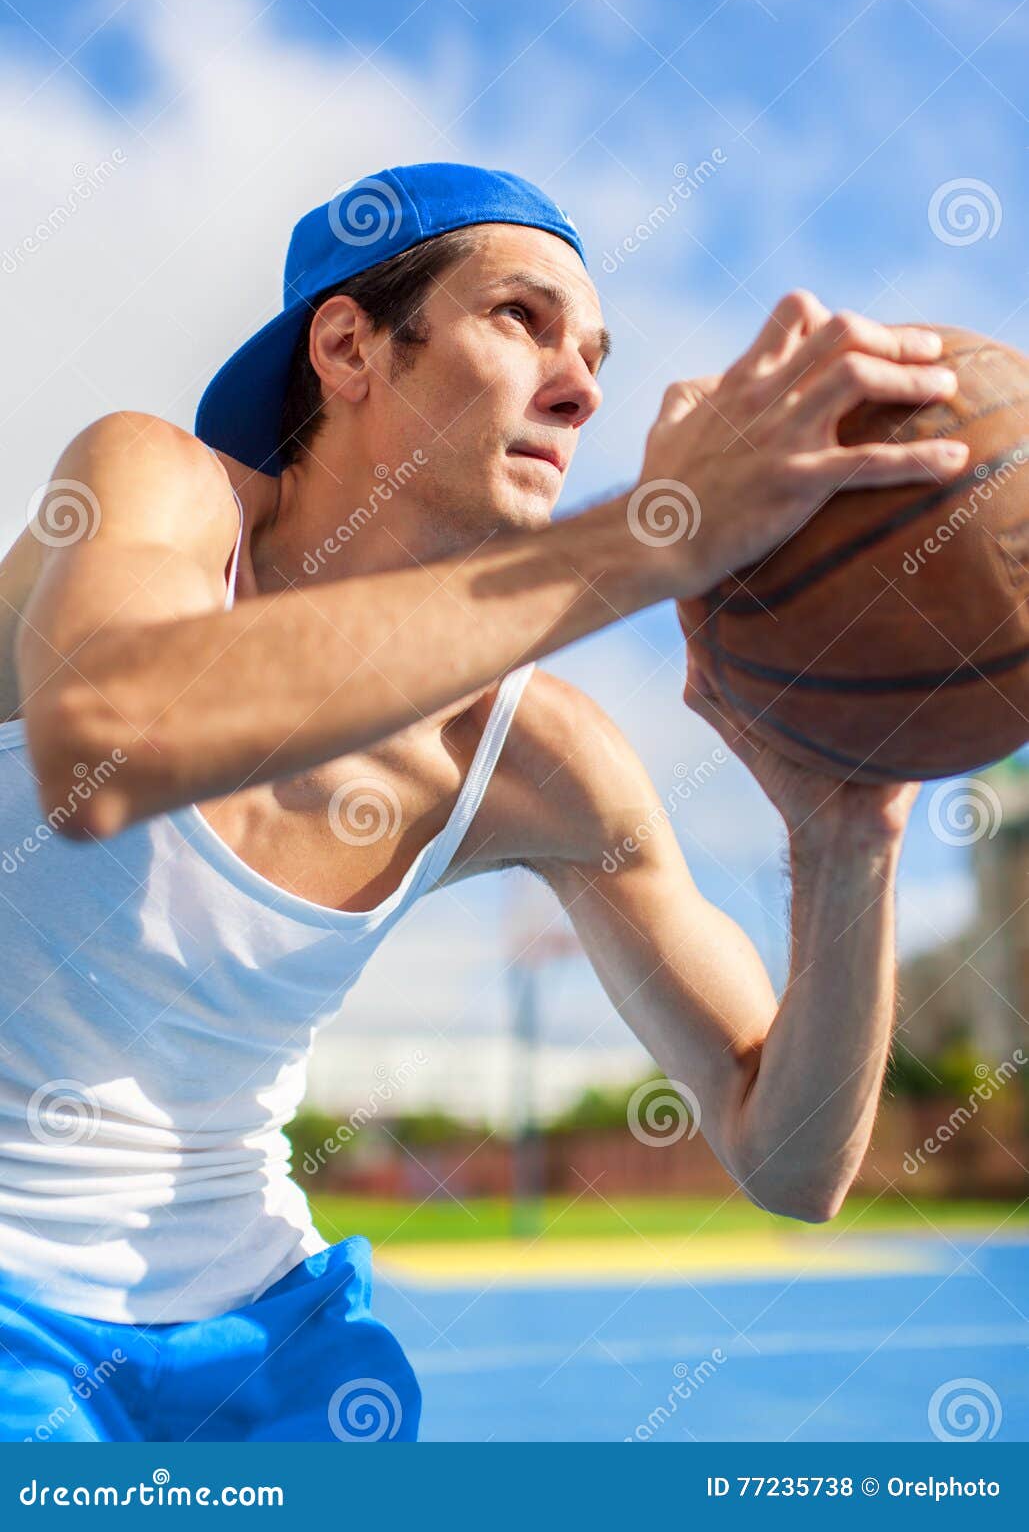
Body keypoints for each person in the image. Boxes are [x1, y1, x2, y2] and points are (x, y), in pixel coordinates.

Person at [0, 162, 966, 1442]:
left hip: (260, 1323)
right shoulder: (165, 490)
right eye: (522, 317)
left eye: (598, 351)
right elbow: (105, 744)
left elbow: (792, 1161)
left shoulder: (536, 756)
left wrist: (850, 847)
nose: (582, 384)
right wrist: (653, 539)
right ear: (348, 345)